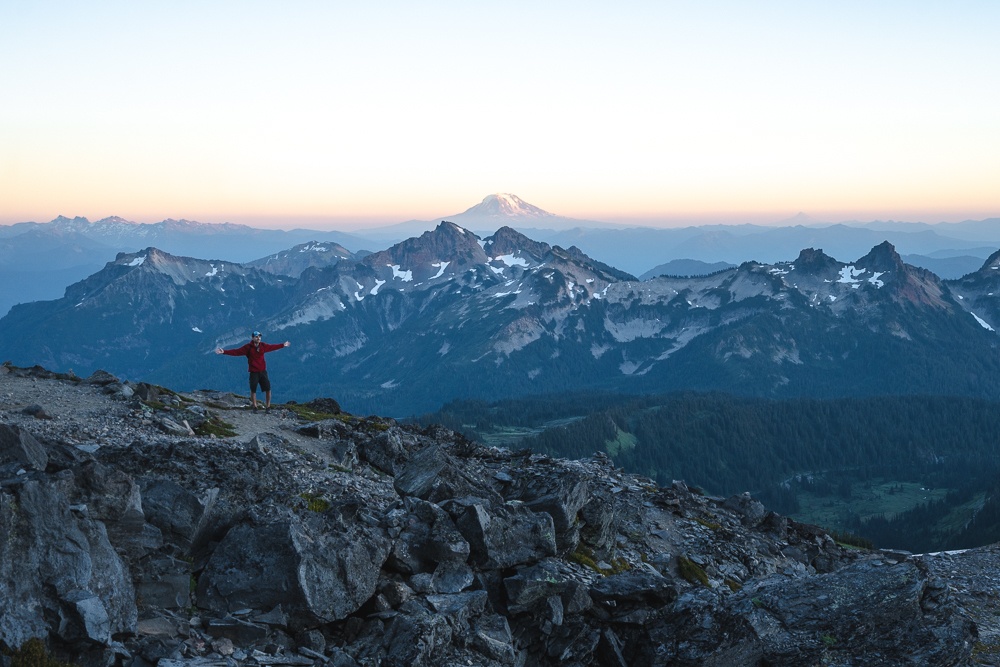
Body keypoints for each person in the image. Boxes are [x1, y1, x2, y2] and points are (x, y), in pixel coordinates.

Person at [215, 330, 290, 412]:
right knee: (253, 389)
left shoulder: (263, 346)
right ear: (253, 338)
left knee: (268, 389)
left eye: (259, 337)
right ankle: (255, 407)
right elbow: (236, 352)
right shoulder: (248, 347)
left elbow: (272, 347)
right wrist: (224, 352)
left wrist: (283, 345)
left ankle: (268, 407)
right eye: (256, 337)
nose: (258, 338)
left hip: (263, 371)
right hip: (253, 372)